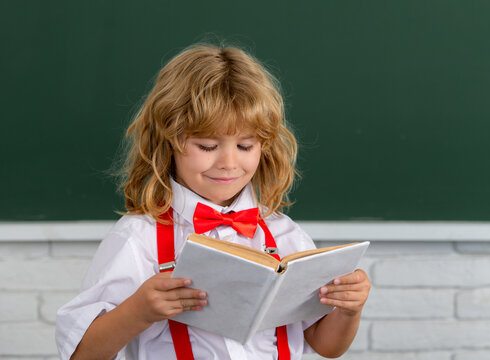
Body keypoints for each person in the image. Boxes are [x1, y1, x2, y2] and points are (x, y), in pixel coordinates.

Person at [56, 43, 371, 360]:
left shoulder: (286, 235)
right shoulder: (138, 239)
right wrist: (138, 310)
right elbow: (80, 354)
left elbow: (326, 346)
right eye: (207, 145)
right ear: (169, 140)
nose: (229, 163)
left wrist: (348, 310)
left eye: (246, 145)